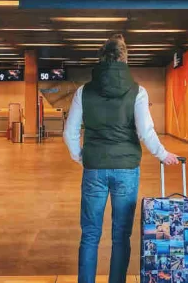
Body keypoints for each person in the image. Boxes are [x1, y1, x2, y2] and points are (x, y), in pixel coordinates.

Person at [64, 34, 180, 283]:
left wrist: (80, 157)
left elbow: (70, 131)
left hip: (94, 168)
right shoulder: (138, 91)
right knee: (120, 236)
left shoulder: (83, 91)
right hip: (126, 170)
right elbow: (145, 131)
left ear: (101, 58)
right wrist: (163, 154)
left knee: (90, 235)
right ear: (125, 59)